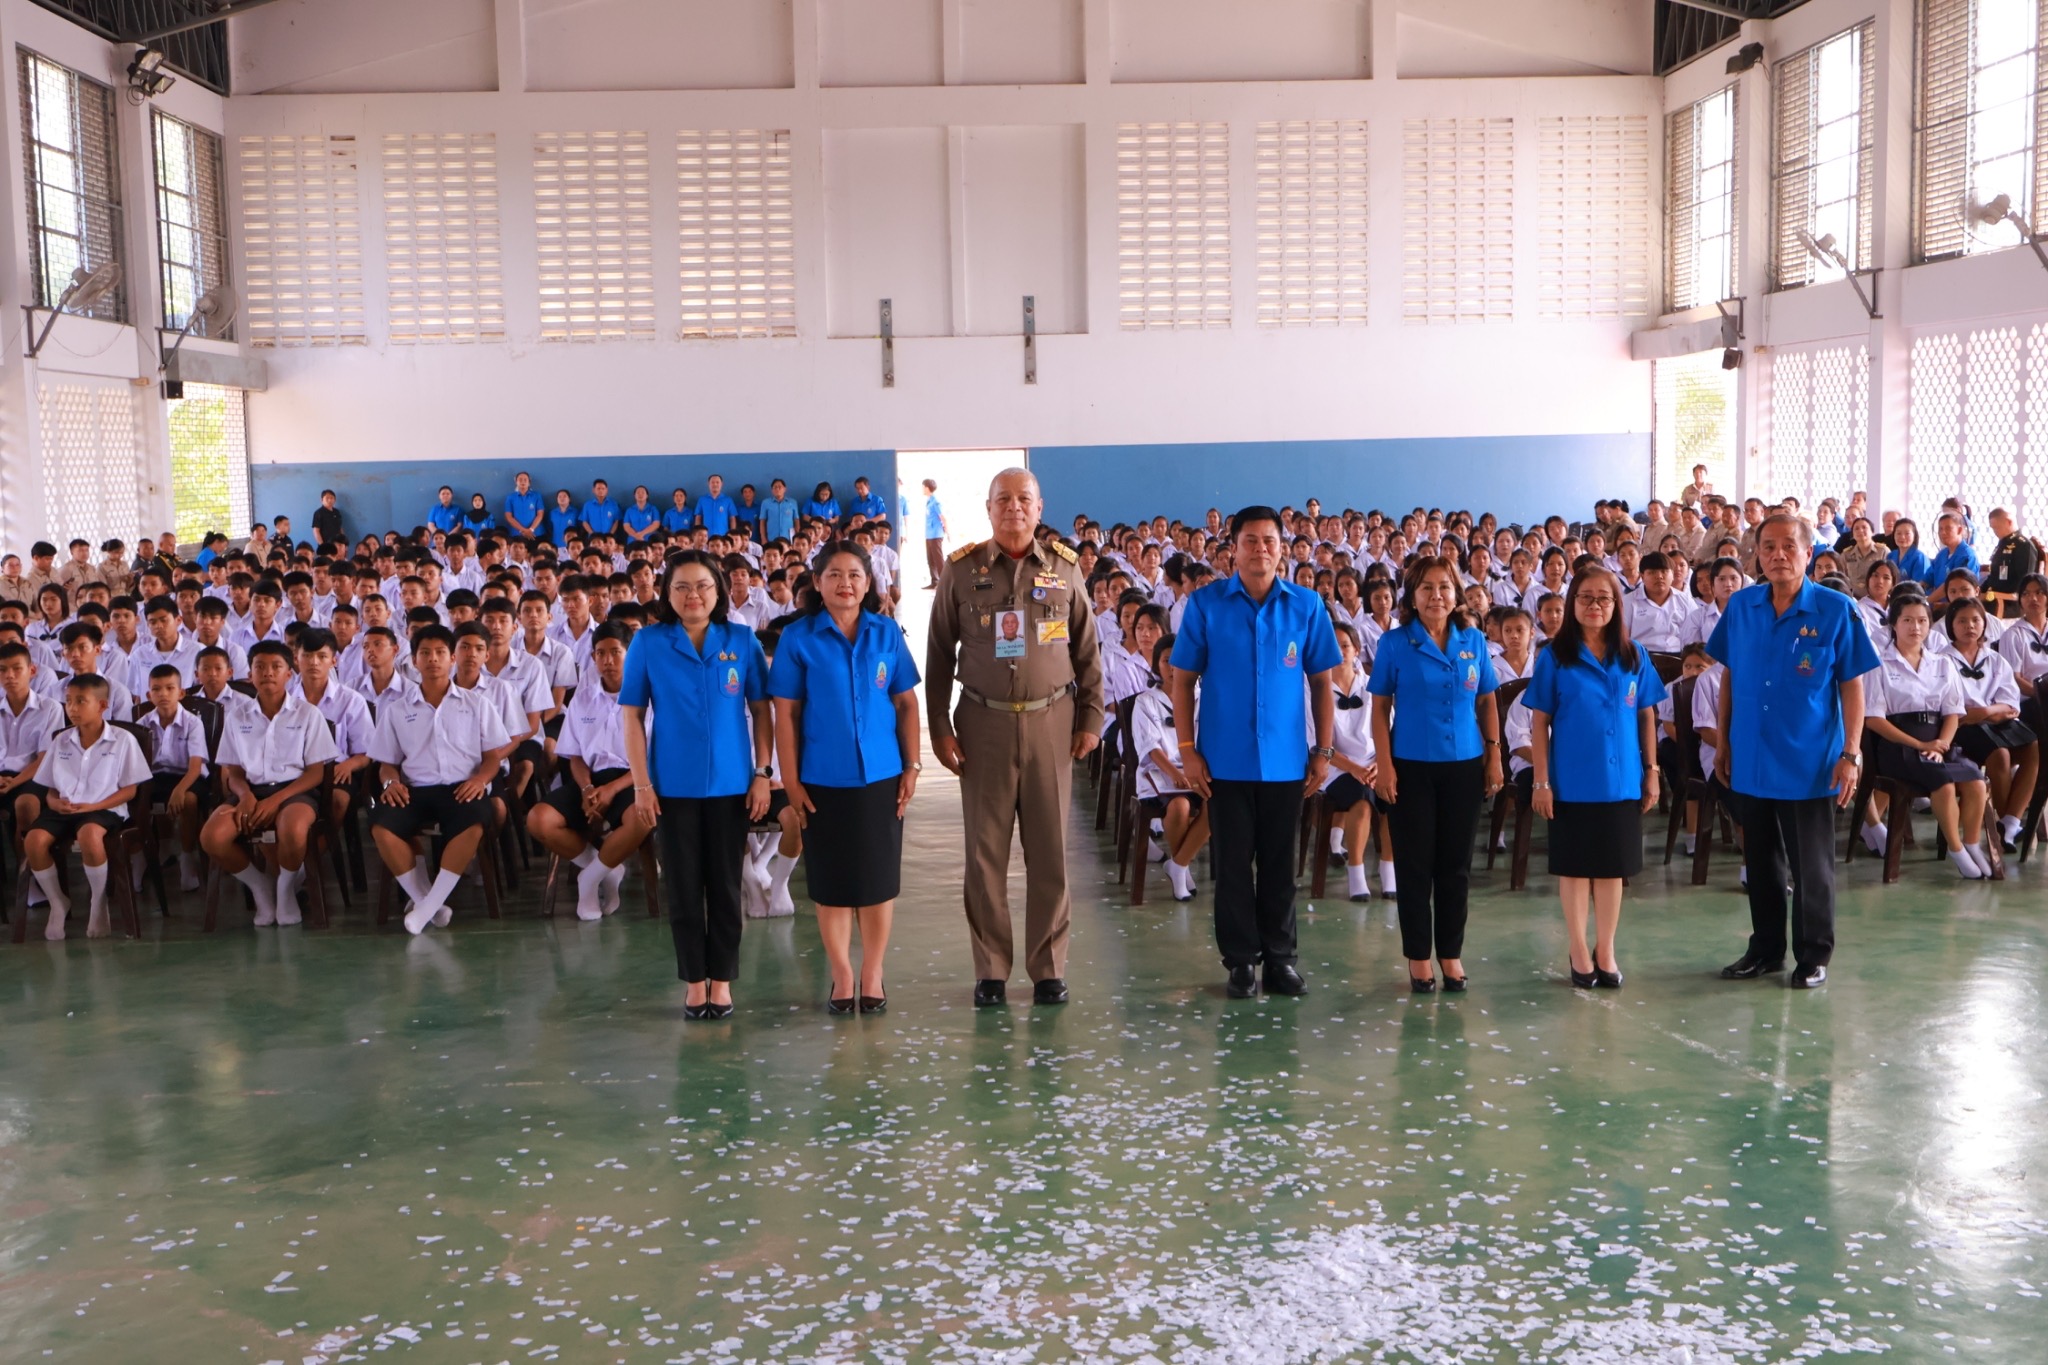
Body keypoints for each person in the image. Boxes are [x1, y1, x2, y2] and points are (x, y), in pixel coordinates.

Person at [925, 468, 1102, 1007]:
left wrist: (1090, 720)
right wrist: (939, 728)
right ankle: (991, 970)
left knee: (1050, 852)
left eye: (1024, 499)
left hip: (1053, 725)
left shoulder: (1066, 570)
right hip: (984, 725)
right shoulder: (961, 572)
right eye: (1003, 499)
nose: (1014, 508)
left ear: (1039, 506)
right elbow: (936, 656)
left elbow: (1088, 651)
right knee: (985, 856)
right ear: (988, 507)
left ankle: (1048, 967)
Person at [1170, 504, 1339, 998]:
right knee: (1233, 865)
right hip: (1224, 760)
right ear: (1233, 549)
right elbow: (1182, 682)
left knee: (1281, 865)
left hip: (1287, 761)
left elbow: (1323, 684)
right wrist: (1187, 749)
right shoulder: (1206, 606)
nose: (1259, 549)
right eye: (1250, 541)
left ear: (1282, 549)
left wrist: (1323, 749)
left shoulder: (1306, 606)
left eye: (1269, 540)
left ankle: (1281, 959)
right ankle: (1241, 961)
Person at [1709, 513, 1880, 989]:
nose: (1778, 555)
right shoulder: (1741, 607)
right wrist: (1723, 742)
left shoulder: (1835, 609)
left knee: (1811, 866)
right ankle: (1765, 949)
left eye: (1789, 546)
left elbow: (1852, 686)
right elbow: (1729, 677)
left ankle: (1813, 955)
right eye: (1768, 547)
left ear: (1809, 554)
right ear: (1756, 555)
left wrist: (1851, 753)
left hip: (1810, 760)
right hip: (1751, 755)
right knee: (1760, 862)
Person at [620, 551, 773, 1019]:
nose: (693, 595)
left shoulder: (741, 640)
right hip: (673, 786)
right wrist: (642, 785)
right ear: (667, 594)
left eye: (703, 586)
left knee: (726, 886)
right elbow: (631, 714)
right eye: (682, 587)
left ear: (719, 591)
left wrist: (763, 773)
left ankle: (722, 980)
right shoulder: (648, 642)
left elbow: (762, 711)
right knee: (684, 888)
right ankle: (693, 981)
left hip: (732, 784)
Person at [770, 542, 921, 1014]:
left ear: (869, 581)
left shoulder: (886, 633)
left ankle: (872, 971)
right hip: (821, 779)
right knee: (832, 883)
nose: (845, 583)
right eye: (834, 575)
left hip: (881, 774)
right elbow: (786, 716)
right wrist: (791, 783)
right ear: (817, 584)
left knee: (877, 880)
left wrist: (912, 766)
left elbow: (906, 704)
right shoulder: (799, 638)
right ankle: (841, 973)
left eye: (855, 574)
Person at [1524, 566, 1666, 989]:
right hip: (1572, 780)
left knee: (1610, 869)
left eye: (1604, 598)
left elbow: (1647, 714)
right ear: (1572, 604)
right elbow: (1539, 723)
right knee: (1575, 868)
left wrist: (1652, 772)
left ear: (1616, 605)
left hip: (1622, 778)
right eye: (1585, 598)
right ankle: (1578, 949)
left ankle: (1605, 948)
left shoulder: (1633, 654)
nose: (1595, 606)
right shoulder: (1554, 656)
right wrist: (1541, 781)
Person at [1368, 556, 1503, 993]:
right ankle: (1418, 957)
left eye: (1444, 587)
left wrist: (1494, 755)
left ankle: (1450, 952)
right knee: (1415, 866)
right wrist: (1384, 765)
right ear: (1412, 594)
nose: (1436, 596)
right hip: (1410, 767)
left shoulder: (1473, 641)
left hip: (1464, 766)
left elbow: (1486, 701)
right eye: (1426, 587)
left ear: (1456, 593)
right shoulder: (1394, 643)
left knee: (1455, 866)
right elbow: (1380, 708)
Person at [368, 624, 514, 935]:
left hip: (462, 787)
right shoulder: (396, 709)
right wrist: (390, 783)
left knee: (474, 820)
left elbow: (492, 757)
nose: (432, 659)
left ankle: (427, 906)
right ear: (413, 660)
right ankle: (428, 903)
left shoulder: (477, 704)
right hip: (415, 790)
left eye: (440, 653)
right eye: (425, 653)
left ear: (452, 659)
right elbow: (387, 764)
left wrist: (480, 781)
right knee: (381, 824)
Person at [202, 641, 339, 926]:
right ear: (249, 674)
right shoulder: (237, 716)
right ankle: (261, 886)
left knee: (293, 828)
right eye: (259, 667)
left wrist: (275, 800)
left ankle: (286, 889)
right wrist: (245, 797)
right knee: (212, 836)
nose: (267, 673)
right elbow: (234, 770)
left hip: (296, 790)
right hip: (251, 791)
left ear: (290, 673)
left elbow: (316, 773)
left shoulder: (307, 714)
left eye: (276, 667)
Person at [529, 621, 657, 920]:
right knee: (539, 820)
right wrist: (587, 789)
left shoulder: (653, 698)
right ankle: (606, 868)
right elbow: (574, 756)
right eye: (600, 653)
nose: (608, 661)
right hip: (590, 779)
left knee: (643, 816)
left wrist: (612, 790)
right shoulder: (583, 699)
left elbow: (655, 760)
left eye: (616, 652)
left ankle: (589, 878)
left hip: (634, 780)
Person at [1864, 595, 1993, 878]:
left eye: (1922, 621)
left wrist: (1942, 744)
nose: (1916, 627)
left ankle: (1971, 843)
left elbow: (1952, 713)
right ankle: (1956, 850)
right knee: (1945, 785)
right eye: (1907, 620)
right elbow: (1873, 719)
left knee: (1975, 781)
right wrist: (1921, 744)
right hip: (1899, 746)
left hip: (1939, 742)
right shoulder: (1879, 664)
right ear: (1893, 625)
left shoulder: (1942, 664)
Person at [23, 673, 151, 940]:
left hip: (105, 809)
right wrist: (55, 803)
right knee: (34, 841)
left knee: (89, 835)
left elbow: (130, 790)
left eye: (81, 701)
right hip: (65, 808)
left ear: (102, 705)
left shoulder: (123, 739)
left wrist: (94, 805)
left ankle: (98, 900)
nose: (72, 708)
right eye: (68, 701)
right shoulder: (61, 740)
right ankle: (58, 902)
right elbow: (51, 789)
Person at [1945, 595, 2038, 851]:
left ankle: (2009, 821)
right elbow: (1955, 709)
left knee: (2033, 746)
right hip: (1962, 728)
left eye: (1976, 620)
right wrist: (1981, 714)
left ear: (1984, 624)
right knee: (2000, 754)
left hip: (1991, 718)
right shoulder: (1943, 660)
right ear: (1951, 625)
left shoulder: (1995, 659)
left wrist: (1985, 710)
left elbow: (2010, 704)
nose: (1970, 626)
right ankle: (2003, 827)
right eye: (1962, 621)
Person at [1321, 622, 1394, 901]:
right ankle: (1356, 873)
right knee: (1362, 801)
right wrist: (1354, 768)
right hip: (1335, 768)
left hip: (1373, 764)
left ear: (1357, 650)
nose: (1339, 651)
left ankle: (1389, 871)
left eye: (1345, 645)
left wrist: (1379, 765)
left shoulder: (1373, 686)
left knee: (1394, 796)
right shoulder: (1316, 689)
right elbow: (1319, 747)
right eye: (1333, 646)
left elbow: (1387, 730)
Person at [1133, 633, 1208, 901]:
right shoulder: (1146, 701)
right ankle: (1182, 870)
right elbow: (1151, 748)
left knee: (1221, 804)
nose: (1174, 668)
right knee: (1179, 807)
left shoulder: (1203, 696)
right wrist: (1176, 773)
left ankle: (1178, 864)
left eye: (1180, 660)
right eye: (1167, 661)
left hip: (1197, 771)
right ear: (1157, 665)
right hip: (1161, 773)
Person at [1982, 508, 2037, 619]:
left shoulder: (2023, 545)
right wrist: (1978, 590)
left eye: (1997, 527)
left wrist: (1991, 596)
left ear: (2009, 522)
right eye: (1993, 528)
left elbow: (2025, 582)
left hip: (2011, 602)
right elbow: (1994, 576)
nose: (1995, 532)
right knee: (1962, 606)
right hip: (1994, 598)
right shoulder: (2002, 545)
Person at [504, 471, 545, 541]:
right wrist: (523, 530)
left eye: (525, 480)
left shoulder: (537, 496)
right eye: (520, 480)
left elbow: (540, 515)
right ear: (516, 482)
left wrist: (531, 529)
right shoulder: (510, 497)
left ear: (529, 482)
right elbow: (509, 517)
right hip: (517, 534)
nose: (523, 482)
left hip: (535, 534)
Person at [922, 479, 947, 589]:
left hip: (936, 534)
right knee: (930, 559)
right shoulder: (929, 501)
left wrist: (948, 532)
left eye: (923, 487)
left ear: (927, 487)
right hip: (929, 534)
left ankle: (944, 582)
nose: (922, 489)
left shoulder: (936, 501)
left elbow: (942, 517)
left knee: (938, 559)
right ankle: (935, 581)